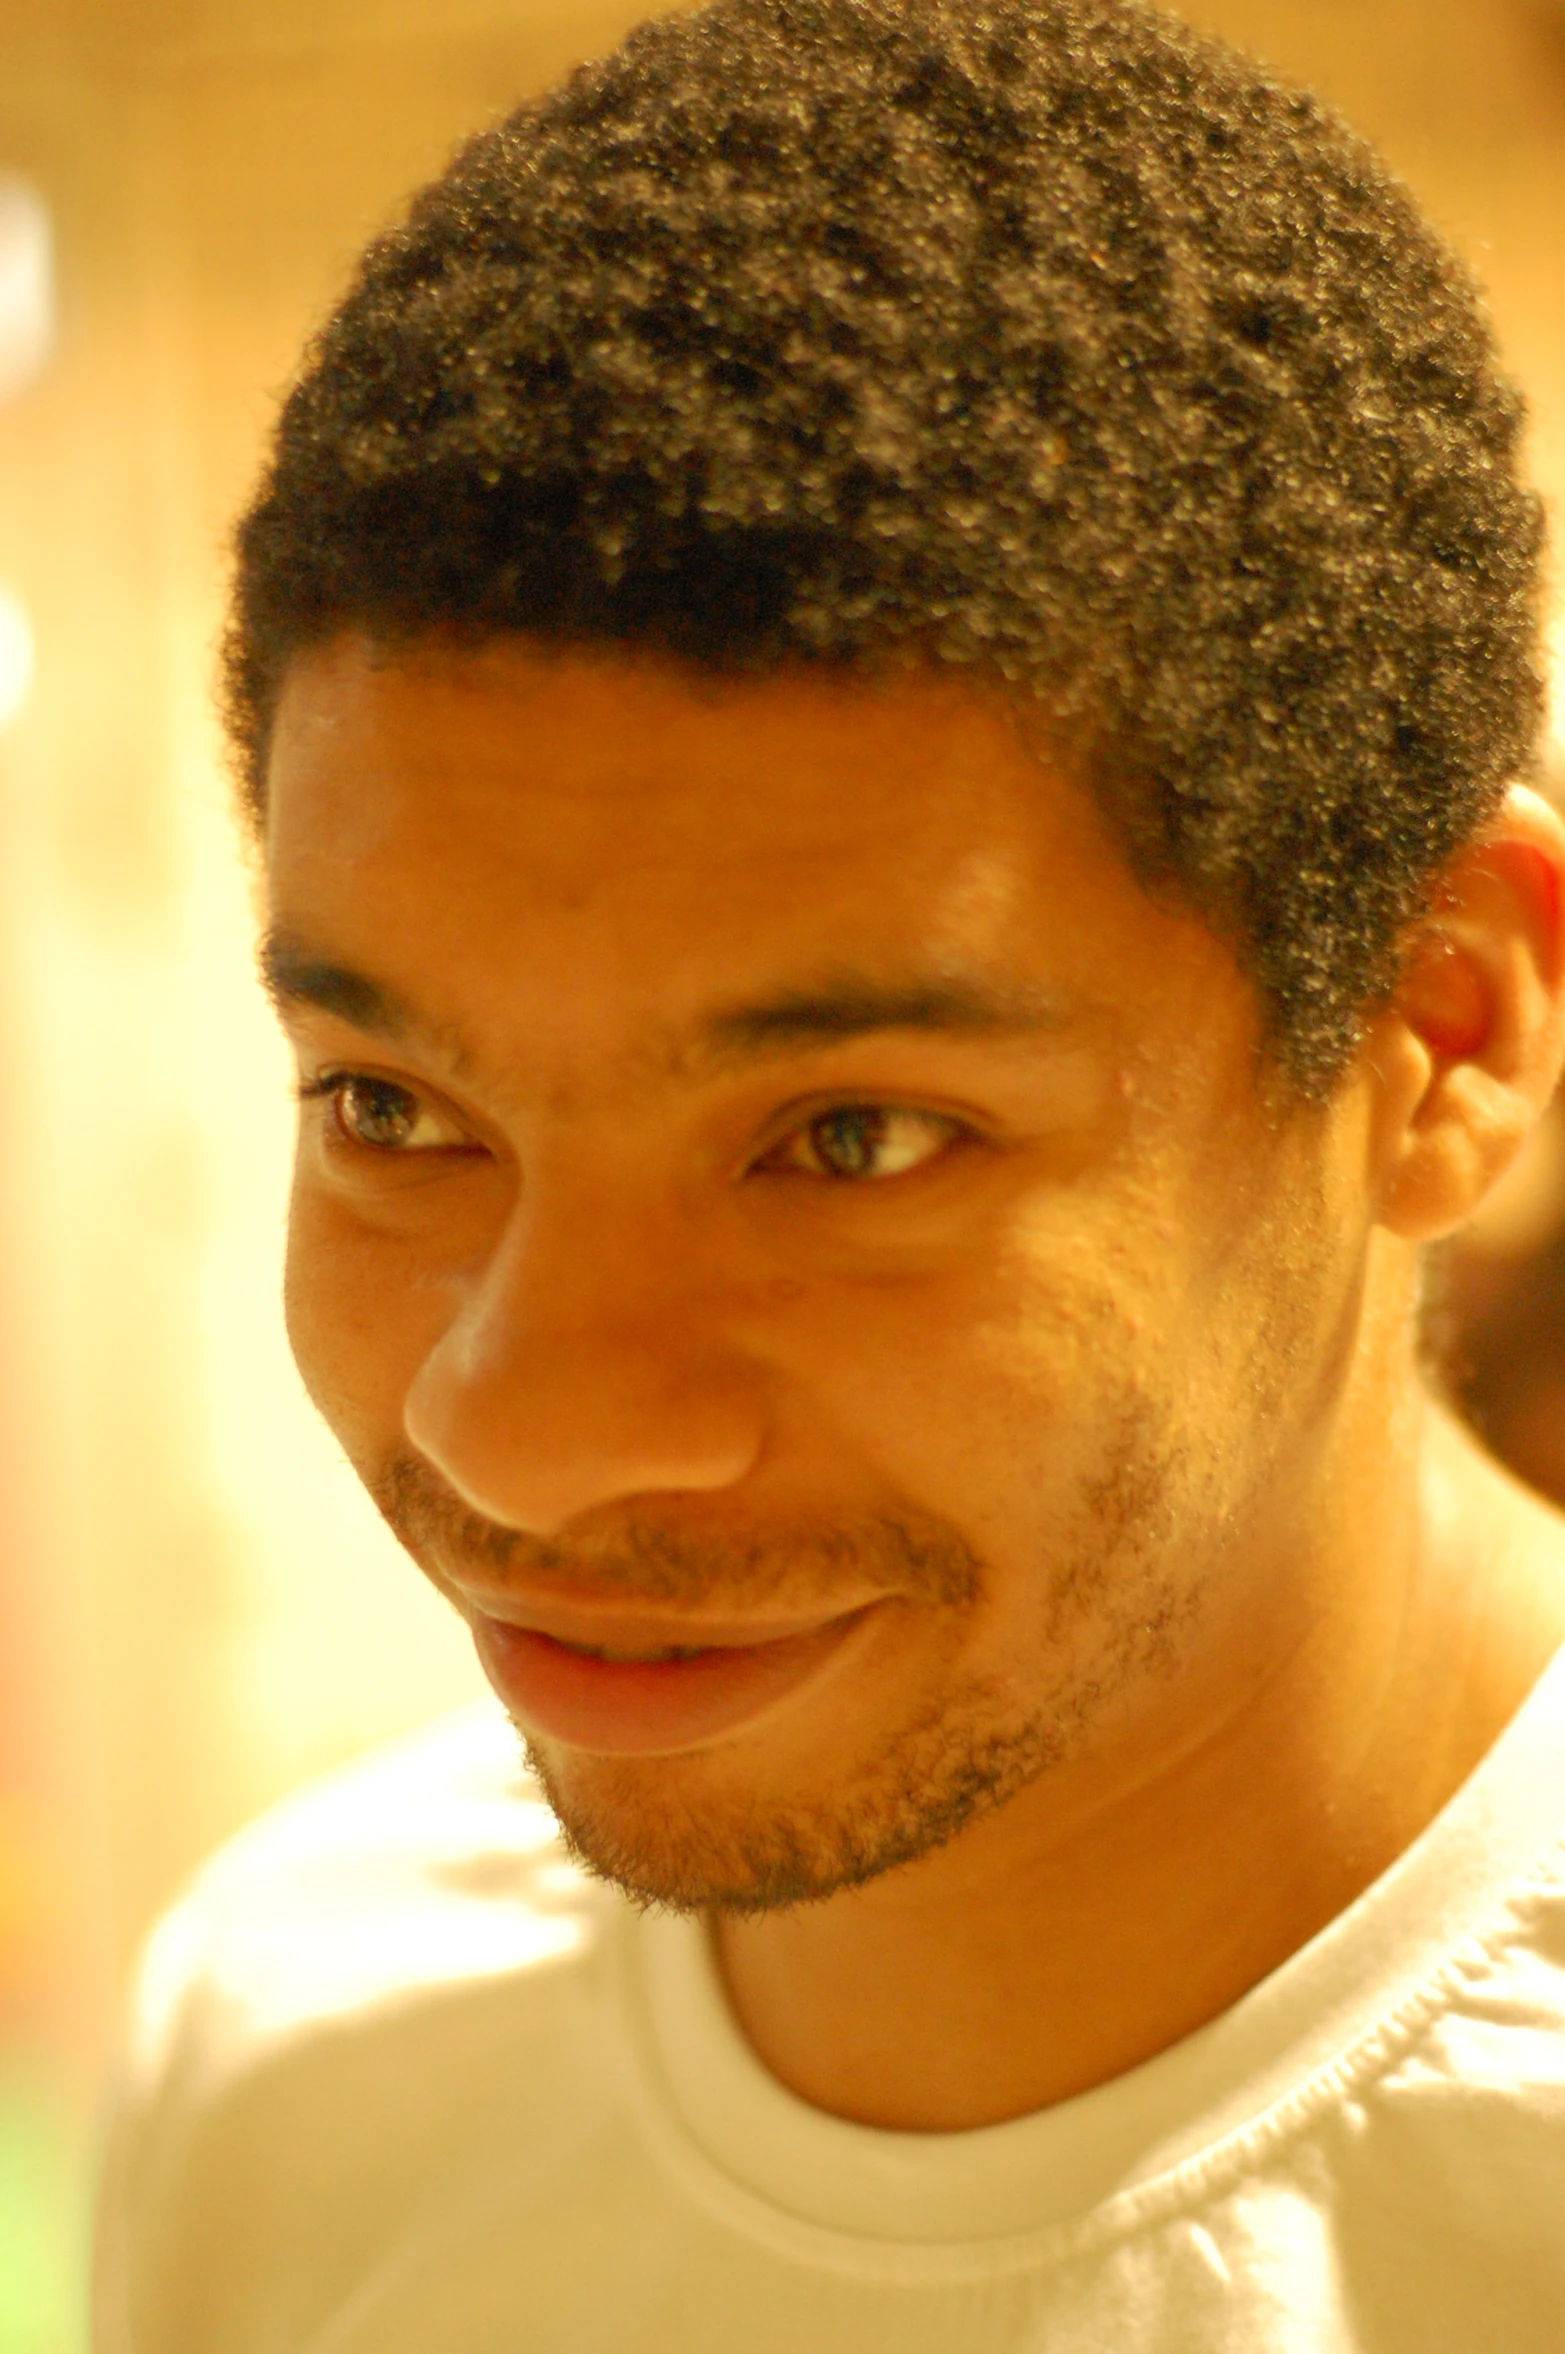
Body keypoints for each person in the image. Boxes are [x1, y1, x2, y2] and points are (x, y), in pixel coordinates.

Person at [93, 0, 1565, 2345]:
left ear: (1437, 1030)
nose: (520, 1428)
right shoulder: (293, 2044)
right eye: (391, 1109)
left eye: (847, 1138)